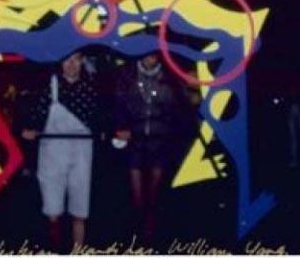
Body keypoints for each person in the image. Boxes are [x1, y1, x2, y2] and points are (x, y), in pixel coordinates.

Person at [21, 50, 101, 251]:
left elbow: (102, 120)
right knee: (53, 210)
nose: (71, 64)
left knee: (79, 209)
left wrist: (112, 132)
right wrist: (31, 131)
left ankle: (78, 251)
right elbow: (36, 117)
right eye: (67, 60)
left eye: (76, 60)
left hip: (82, 152)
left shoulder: (91, 89)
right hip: (53, 152)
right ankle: (54, 249)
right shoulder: (49, 88)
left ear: (82, 62)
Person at [113, 53, 192, 245]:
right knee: (136, 196)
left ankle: (151, 236)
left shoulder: (171, 76)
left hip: (161, 141)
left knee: (155, 196)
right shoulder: (126, 74)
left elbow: (181, 109)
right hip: (134, 142)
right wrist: (119, 128)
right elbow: (116, 106)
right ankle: (135, 237)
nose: (151, 56)